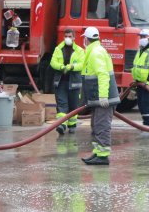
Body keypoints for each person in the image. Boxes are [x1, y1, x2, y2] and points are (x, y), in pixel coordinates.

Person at [80, 26, 120, 166]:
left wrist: (103, 97)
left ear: (86, 39)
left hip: (103, 98)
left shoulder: (96, 52)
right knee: (96, 125)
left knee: (101, 126)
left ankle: (103, 156)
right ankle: (97, 153)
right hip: (97, 98)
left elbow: (102, 75)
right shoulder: (94, 50)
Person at [50, 28, 84, 135]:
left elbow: (82, 64)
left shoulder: (79, 50)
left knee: (73, 105)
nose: (67, 38)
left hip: (74, 82)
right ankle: (62, 125)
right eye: (66, 36)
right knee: (62, 104)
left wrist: (72, 66)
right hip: (61, 82)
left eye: (70, 36)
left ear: (74, 37)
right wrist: (61, 67)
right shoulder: (58, 49)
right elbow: (52, 62)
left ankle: (72, 125)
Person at [132, 28, 149, 127]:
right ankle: (145, 122)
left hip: (148, 83)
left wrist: (148, 81)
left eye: (143, 36)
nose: (141, 38)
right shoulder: (141, 49)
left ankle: (148, 124)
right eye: (140, 36)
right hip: (139, 82)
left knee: (145, 103)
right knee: (140, 103)